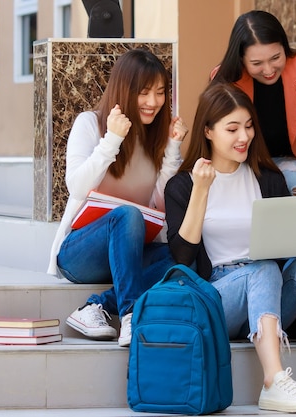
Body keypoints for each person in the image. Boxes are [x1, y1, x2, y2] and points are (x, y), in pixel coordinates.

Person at [164, 83, 296, 413]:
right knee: (262, 268)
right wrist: (201, 190)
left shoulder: (267, 178)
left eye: (248, 126)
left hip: (267, 296)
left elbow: (286, 245)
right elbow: (183, 258)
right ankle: (273, 382)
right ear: (208, 132)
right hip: (217, 298)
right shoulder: (183, 185)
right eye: (232, 129)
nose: (244, 136)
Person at [46, 49, 188, 347]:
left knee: (184, 256)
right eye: (144, 92)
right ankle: (130, 315)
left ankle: (95, 307)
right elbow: (77, 187)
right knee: (127, 215)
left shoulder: (155, 137)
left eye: (160, 93)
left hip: (130, 253)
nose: (153, 102)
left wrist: (173, 148)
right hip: (80, 253)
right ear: (125, 89)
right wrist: (112, 140)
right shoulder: (89, 123)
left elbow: (159, 204)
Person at [210, 9, 296, 196]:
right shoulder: (225, 78)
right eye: (257, 63)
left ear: (284, 47)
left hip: (287, 160)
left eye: (276, 58)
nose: (268, 70)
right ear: (241, 59)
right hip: (241, 161)